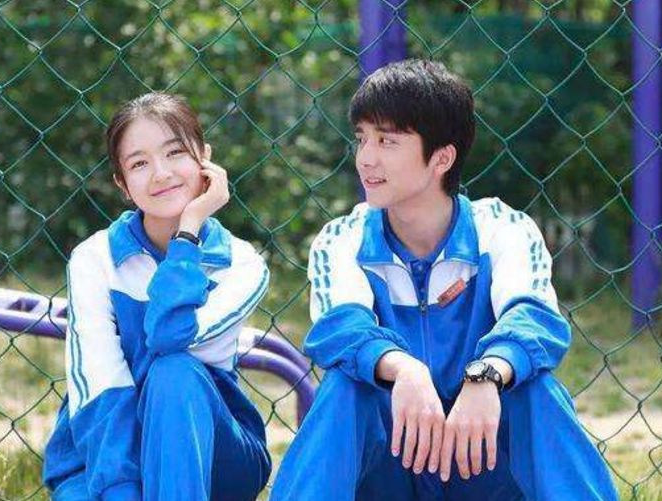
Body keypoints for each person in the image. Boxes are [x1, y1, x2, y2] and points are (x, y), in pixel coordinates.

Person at [270, 59, 618, 501]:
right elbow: (341, 330)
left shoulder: (502, 229)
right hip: (392, 463)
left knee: (536, 391)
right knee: (344, 389)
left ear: (442, 158)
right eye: (361, 138)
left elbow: (534, 320)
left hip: (483, 460)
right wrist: (405, 369)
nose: (366, 158)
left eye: (387, 140)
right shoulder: (344, 238)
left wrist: (486, 376)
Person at [42, 93, 272, 501]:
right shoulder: (95, 258)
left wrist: (189, 230)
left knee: (174, 371)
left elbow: (170, 336)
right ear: (122, 184)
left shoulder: (241, 264)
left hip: (209, 457)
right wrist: (122, 492)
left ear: (205, 159)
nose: (161, 174)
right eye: (139, 164)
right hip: (104, 457)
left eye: (175, 152)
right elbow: (99, 383)